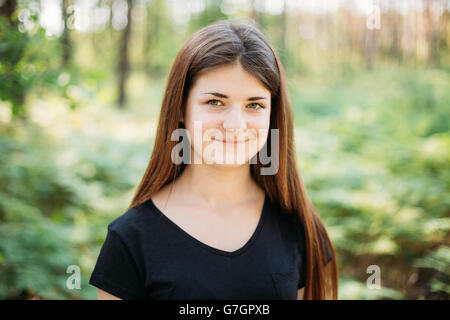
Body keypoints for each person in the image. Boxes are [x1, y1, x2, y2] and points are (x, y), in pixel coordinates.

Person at [89, 19, 338, 300]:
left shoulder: (298, 226)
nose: (235, 125)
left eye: (254, 105)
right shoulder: (131, 239)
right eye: (215, 102)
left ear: (273, 114)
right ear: (180, 107)